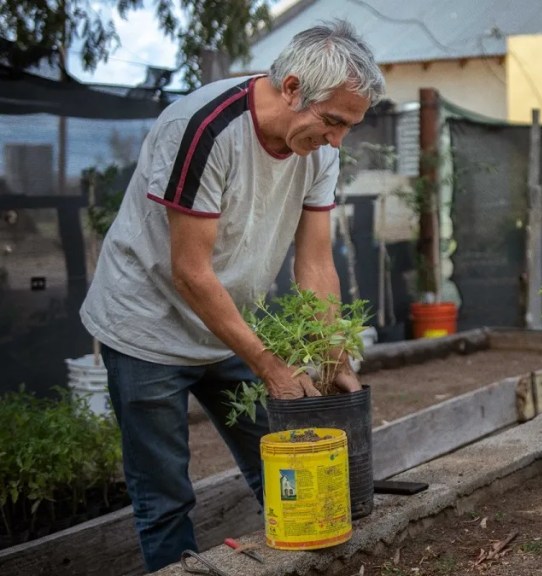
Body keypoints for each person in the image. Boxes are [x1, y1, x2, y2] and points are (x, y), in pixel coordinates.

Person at [79, 20, 386, 572]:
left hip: (229, 322)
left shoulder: (320, 150)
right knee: (165, 497)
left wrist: (333, 351)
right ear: (292, 89)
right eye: (333, 122)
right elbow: (190, 272)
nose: (338, 140)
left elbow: (314, 262)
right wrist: (268, 364)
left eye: (349, 126)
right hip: (147, 324)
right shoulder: (203, 129)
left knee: (286, 461)